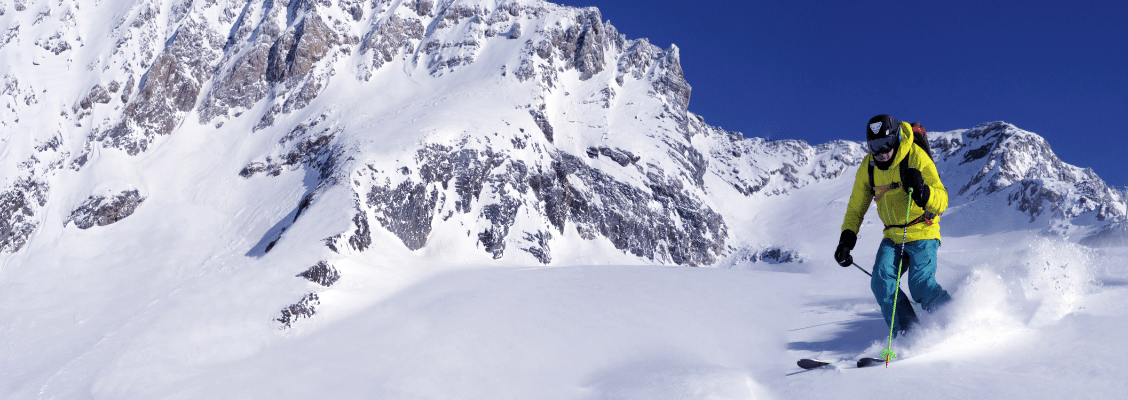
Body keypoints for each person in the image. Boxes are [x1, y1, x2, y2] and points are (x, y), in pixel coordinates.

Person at [834, 114, 952, 336]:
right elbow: (856, 207)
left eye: (886, 144)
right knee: (881, 283)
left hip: (922, 229)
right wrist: (846, 239)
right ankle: (908, 334)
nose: (881, 152)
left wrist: (922, 191)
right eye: (875, 146)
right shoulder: (869, 166)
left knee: (921, 286)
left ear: (896, 138)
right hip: (893, 235)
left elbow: (942, 199)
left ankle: (955, 320)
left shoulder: (915, 156)